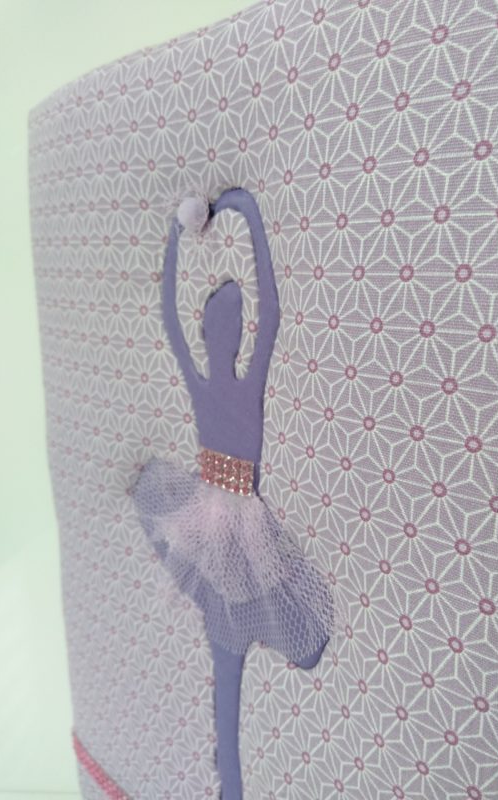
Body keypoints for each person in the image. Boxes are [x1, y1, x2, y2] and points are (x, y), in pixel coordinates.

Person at [130, 187, 334, 799]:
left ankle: (231, 778)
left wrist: (189, 231)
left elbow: (174, 320)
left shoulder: (206, 377)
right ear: (239, 333)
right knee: (227, 645)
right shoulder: (246, 374)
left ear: (211, 333)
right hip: (236, 522)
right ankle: (230, 778)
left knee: (229, 645)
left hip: (220, 519)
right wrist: (239, 217)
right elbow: (267, 308)